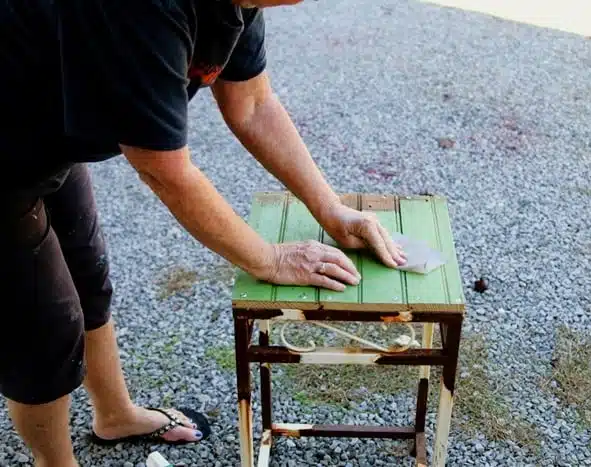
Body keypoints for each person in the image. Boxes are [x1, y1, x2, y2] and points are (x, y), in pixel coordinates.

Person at [0, 0, 407, 465]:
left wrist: (331, 210)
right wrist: (269, 259)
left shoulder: (243, 2)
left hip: (41, 134)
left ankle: (114, 415)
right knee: (42, 327)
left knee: (87, 277)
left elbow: (252, 104)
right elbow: (164, 169)